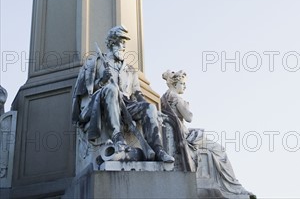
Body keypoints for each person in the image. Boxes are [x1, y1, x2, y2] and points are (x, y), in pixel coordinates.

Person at [72, 26, 174, 163]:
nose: (124, 46)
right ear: (112, 43)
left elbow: (137, 94)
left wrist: (150, 108)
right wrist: (102, 81)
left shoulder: (131, 70)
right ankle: (117, 137)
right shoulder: (97, 63)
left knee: (149, 107)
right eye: (121, 42)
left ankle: (158, 150)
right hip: (103, 99)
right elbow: (87, 91)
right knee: (112, 89)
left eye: (125, 43)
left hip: (127, 104)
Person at [161, 70, 256, 198]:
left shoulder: (163, 97)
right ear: (175, 83)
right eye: (182, 83)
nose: (184, 87)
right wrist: (186, 105)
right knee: (219, 150)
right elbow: (189, 117)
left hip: (180, 134)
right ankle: (234, 187)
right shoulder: (175, 97)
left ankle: (233, 187)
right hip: (185, 136)